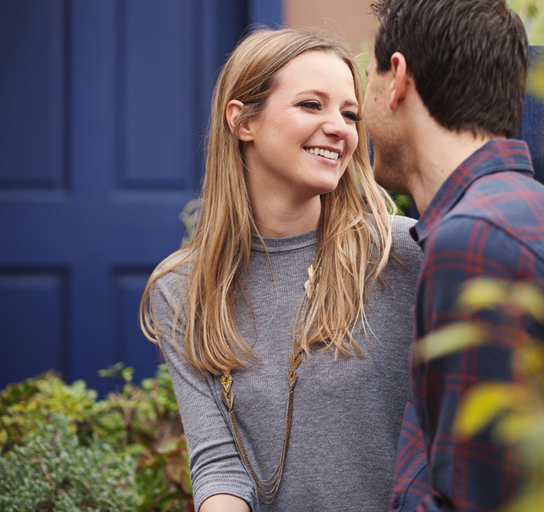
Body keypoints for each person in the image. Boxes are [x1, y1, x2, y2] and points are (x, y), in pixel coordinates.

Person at [362, 0, 544, 510]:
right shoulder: (515, 216)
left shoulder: (477, 239)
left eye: (368, 78)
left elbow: (473, 499)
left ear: (398, 78)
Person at [139, 28, 422, 512]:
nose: (340, 128)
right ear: (242, 121)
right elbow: (219, 464)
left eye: (350, 113)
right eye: (312, 105)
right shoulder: (182, 288)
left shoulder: (405, 254)